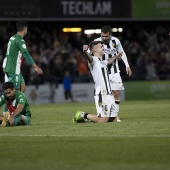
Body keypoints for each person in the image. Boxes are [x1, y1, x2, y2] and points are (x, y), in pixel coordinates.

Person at [72, 41, 122, 123]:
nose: (103, 47)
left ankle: (88, 119)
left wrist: (116, 56)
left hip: (109, 94)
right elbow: (88, 57)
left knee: (114, 119)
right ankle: (82, 114)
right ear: (95, 50)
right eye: (101, 46)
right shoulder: (93, 61)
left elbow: (109, 60)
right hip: (101, 93)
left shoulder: (102, 61)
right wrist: (85, 52)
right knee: (103, 120)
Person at [93, 26, 132, 119]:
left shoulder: (116, 41)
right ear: (100, 35)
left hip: (114, 71)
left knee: (115, 92)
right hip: (102, 72)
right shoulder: (96, 42)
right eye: (103, 36)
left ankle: (114, 116)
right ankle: (102, 114)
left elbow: (122, 52)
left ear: (110, 35)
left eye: (106, 36)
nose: (104, 38)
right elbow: (91, 55)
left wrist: (127, 65)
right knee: (103, 94)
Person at [5, 21, 43, 92]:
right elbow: (26, 55)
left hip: (11, 67)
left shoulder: (12, 38)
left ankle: (19, 103)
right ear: (25, 29)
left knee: (23, 88)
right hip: (14, 69)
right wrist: (36, 67)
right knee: (14, 92)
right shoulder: (20, 40)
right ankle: (4, 102)